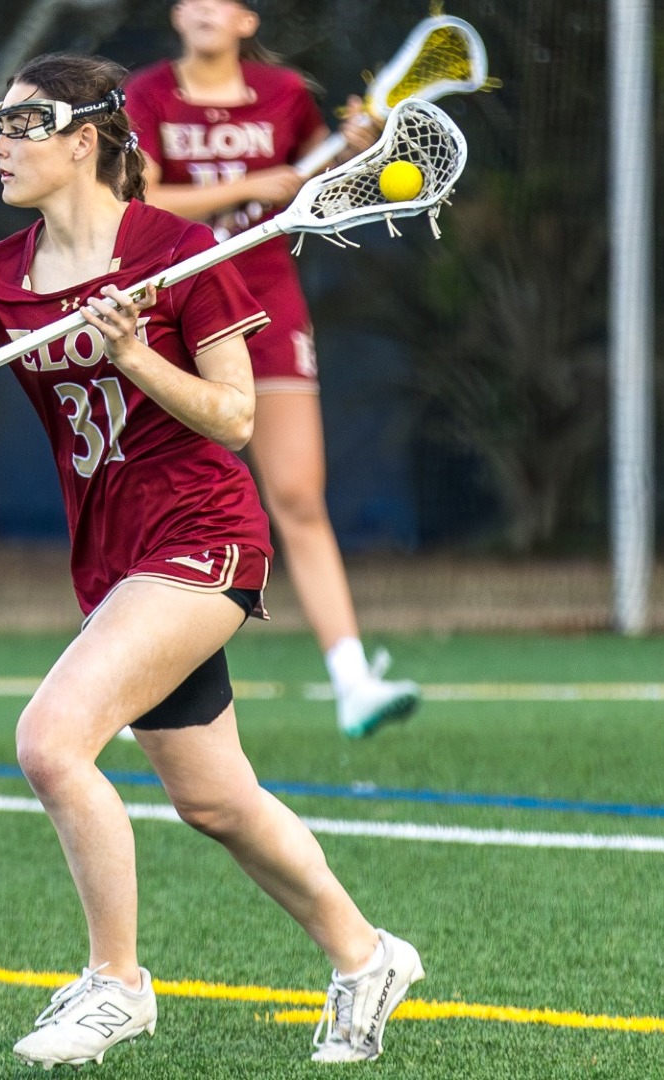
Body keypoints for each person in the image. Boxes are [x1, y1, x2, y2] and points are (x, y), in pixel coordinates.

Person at [0, 54, 424, 1067]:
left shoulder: (180, 252)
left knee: (51, 741)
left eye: (21, 126)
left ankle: (115, 985)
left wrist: (133, 354)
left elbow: (237, 417)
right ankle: (365, 954)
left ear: (82, 140)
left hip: (200, 534)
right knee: (214, 800)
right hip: (110, 561)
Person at [125, 0, 420, 738]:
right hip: (169, 310)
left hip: (266, 307)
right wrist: (250, 185)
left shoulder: (287, 95)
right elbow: (139, 197)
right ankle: (129, 670)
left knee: (297, 494)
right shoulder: (148, 94)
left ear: (247, 20)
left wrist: (359, 145)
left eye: (219, 0)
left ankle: (352, 679)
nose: (202, 9)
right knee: (152, 496)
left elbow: (330, 188)